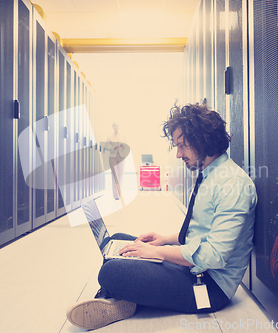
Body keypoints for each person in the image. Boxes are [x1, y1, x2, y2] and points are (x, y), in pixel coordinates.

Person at [66, 103, 257, 330]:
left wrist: (157, 253)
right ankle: (122, 296)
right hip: (193, 269)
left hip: (209, 286)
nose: (178, 154)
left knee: (111, 271)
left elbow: (214, 256)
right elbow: (202, 232)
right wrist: (164, 239)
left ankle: (116, 296)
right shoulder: (212, 173)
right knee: (119, 239)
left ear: (202, 139)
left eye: (182, 145)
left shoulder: (233, 184)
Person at [105, 122, 129, 200]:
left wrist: (122, 147)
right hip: (113, 157)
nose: (117, 127)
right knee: (114, 176)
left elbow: (126, 146)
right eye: (115, 125)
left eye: (118, 125)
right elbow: (106, 147)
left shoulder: (123, 136)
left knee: (121, 175)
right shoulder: (110, 137)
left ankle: (120, 193)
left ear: (119, 127)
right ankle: (116, 196)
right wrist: (113, 148)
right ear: (113, 127)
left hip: (121, 157)